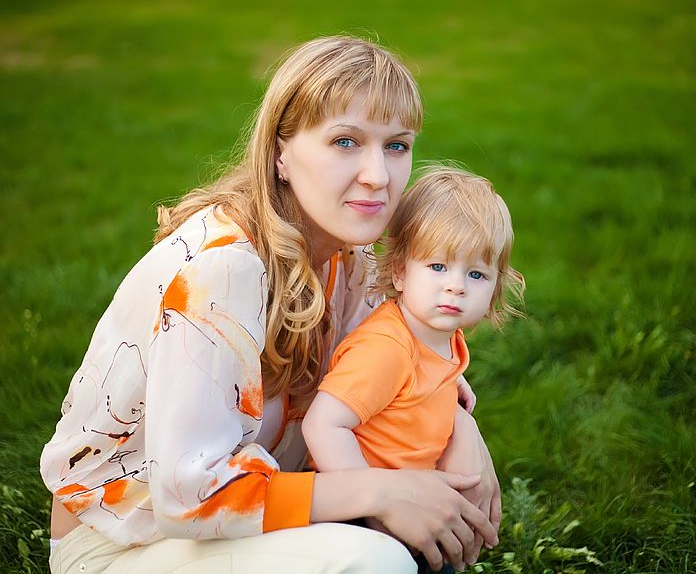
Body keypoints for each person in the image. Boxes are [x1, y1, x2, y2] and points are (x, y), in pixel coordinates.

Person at [39, 35, 500, 574]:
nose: (378, 175)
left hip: (251, 511)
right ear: (281, 152)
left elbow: (401, 369)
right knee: (375, 562)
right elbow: (188, 497)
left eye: (396, 145)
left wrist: (463, 433)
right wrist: (379, 492)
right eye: (346, 142)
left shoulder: (350, 251)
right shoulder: (220, 270)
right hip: (127, 542)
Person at [302, 165, 524, 474]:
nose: (456, 286)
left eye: (476, 274)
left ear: (495, 286)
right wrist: (373, 499)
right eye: (437, 266)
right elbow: (322, 424)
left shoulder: (435, 337)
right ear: (400, 272)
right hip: (361, 505)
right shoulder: (386, 350)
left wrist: (449, 383)